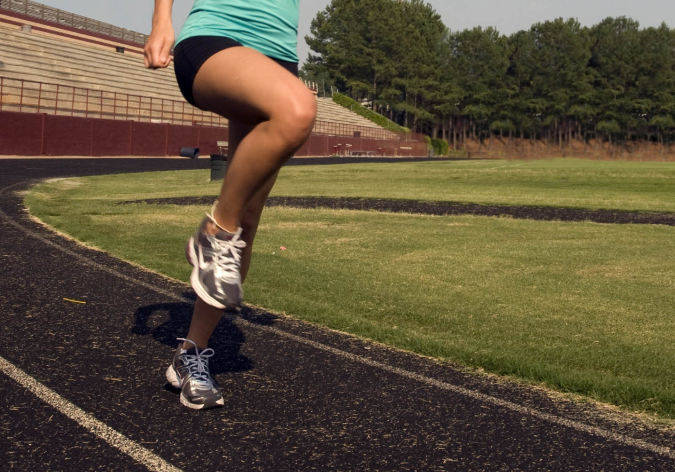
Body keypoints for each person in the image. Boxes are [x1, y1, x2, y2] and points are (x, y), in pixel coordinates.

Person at [144, 0, 316, 410]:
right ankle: (212, 231)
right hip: (216, 37)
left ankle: (190, 355)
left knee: (247, 221)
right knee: (298, 110)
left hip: (277, 53)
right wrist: (161, 19)